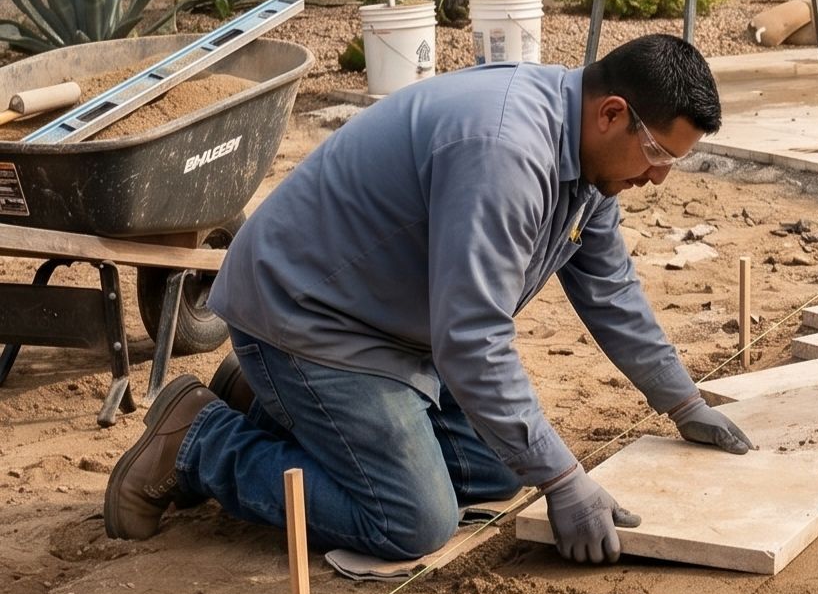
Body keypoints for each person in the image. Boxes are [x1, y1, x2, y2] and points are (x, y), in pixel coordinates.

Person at [104, 34, 753, 564]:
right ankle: (199, 439)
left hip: (388, 324)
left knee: (499, 474)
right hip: (306, 315)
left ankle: (267, 400)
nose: (657, 175)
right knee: (411, 520)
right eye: (654, 153)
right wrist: (562, 481)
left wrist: (683, 401)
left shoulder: (589, 164)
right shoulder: (505, 153)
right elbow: (472, 341)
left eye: (672, 160)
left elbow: (610, 291)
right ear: (611, 112)